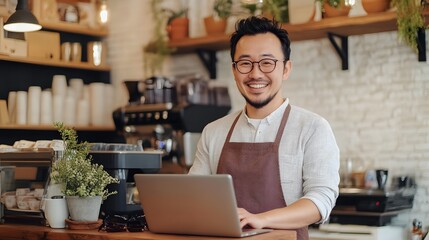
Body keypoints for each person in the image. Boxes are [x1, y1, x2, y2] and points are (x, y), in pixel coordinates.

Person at [188, 16, 339, 240]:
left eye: (267, 62)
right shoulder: (213, 132)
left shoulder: (312, 128)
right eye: (245, 63)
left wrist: (261, 219)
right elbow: (193, 196)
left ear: (286, 69)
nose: (256, 74)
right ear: (234, 70)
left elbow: (320, 201)